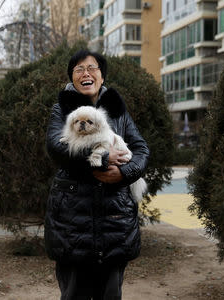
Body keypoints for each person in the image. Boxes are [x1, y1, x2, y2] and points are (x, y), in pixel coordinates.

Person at [44, 50, 149, 300]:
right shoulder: (62, 109)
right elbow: (56, 148)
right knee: (74, 293)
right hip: (73, 220)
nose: (86, 73)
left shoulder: (117, 109)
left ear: (102, 76)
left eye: (92, 68)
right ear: (72, 78)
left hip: (115, 219)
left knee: (110, 294)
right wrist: (102, 159)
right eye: (79, 69)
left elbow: (141, 150)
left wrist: (123, 173)